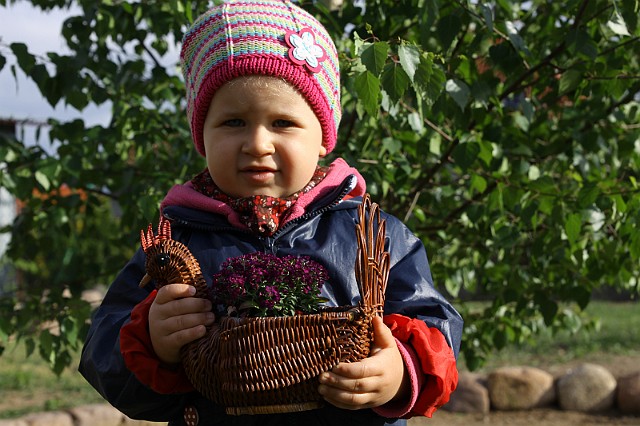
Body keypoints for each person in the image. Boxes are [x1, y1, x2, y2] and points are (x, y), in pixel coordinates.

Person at [79, 1, 463, 425]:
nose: (258, 143)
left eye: (282, 123)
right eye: (232, 123)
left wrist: (398, 372)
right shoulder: (173, 246)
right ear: (201, 136)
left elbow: (435, 328)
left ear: (323, 137)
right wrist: (152, 338)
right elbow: (104, 356)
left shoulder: (373, 236)